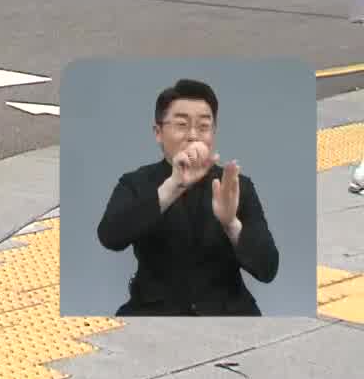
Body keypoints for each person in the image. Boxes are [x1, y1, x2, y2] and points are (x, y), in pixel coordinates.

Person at [96, 78, 279, 315]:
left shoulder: (234, 186)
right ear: (158, 133)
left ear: (213, 133)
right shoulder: (136, 183)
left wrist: (231, 223)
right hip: (154, 312)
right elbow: (110, 236)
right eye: (181, 125)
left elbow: (268, 268)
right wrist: (172, 187)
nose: (193, 136)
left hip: (228, 313)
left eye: (203, 127)